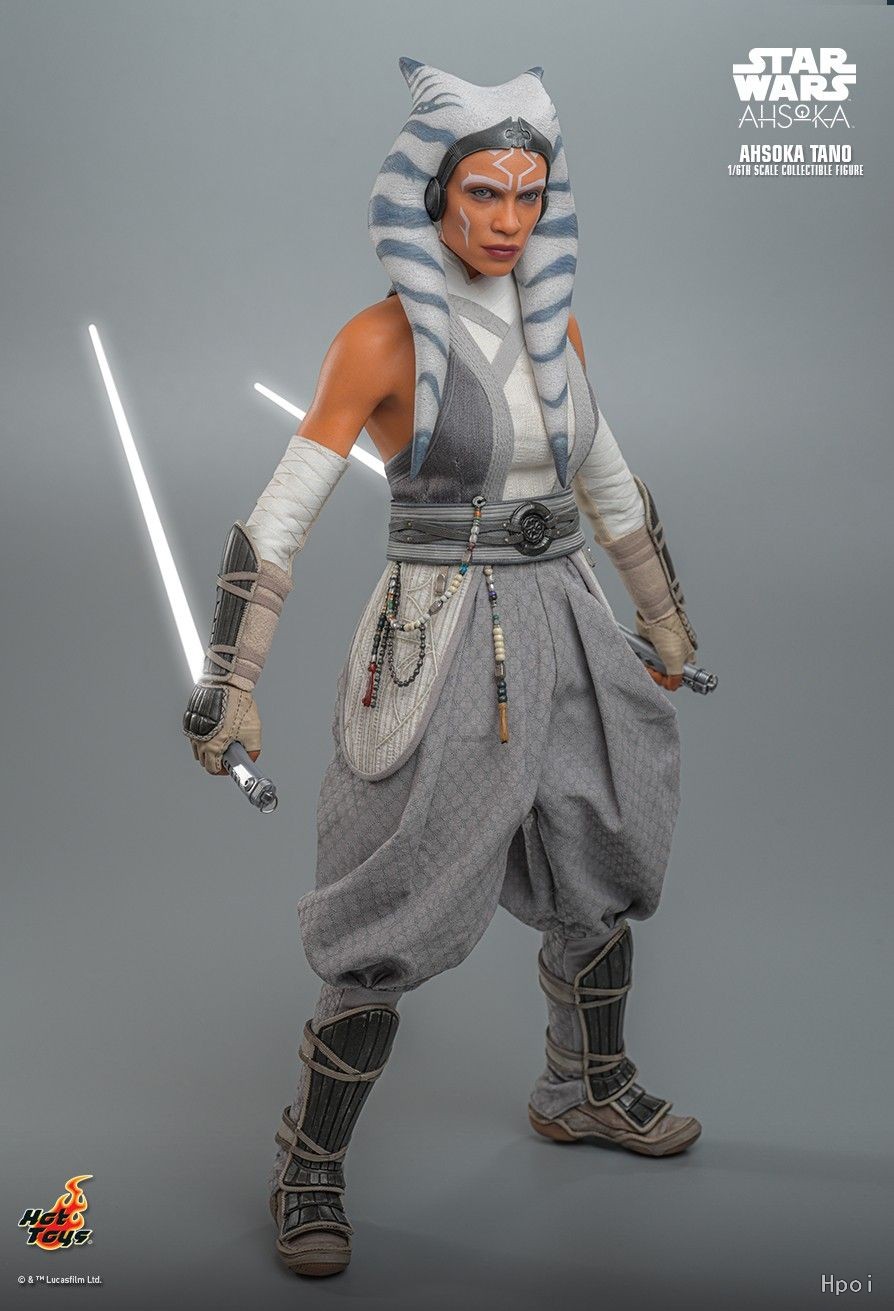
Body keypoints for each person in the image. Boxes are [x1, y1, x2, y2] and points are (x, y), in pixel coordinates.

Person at [183, 57, 703, 1280]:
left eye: (529, 195)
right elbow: (279, 519)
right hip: (441, 633)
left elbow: (607, 481)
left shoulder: (557, 325)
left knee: (603, 843)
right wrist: (232, 677)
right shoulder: (378, 341)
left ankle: (585, 1083)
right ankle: (309, 1161)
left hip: (567, 616)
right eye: (483, 193)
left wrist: (662, 614)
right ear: (433, 194)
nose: (507, 220)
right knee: (392, 892)